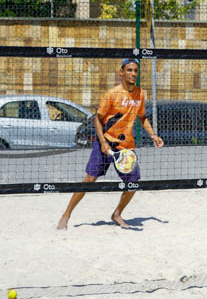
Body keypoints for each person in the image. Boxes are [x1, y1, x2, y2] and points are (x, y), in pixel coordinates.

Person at [56, 58, 163, 230]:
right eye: (129, 70)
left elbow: (142, 117)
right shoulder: (112, 94)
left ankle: (117, 214)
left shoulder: (140, 94)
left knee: (133, 183)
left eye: (135, 71)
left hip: (125, 146)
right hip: (105, 142)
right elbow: (98, 120)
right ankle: (66, 214)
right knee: (89, 180)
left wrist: (153, 135)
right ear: (121, 72)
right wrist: (103, 143)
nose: (133, 74)